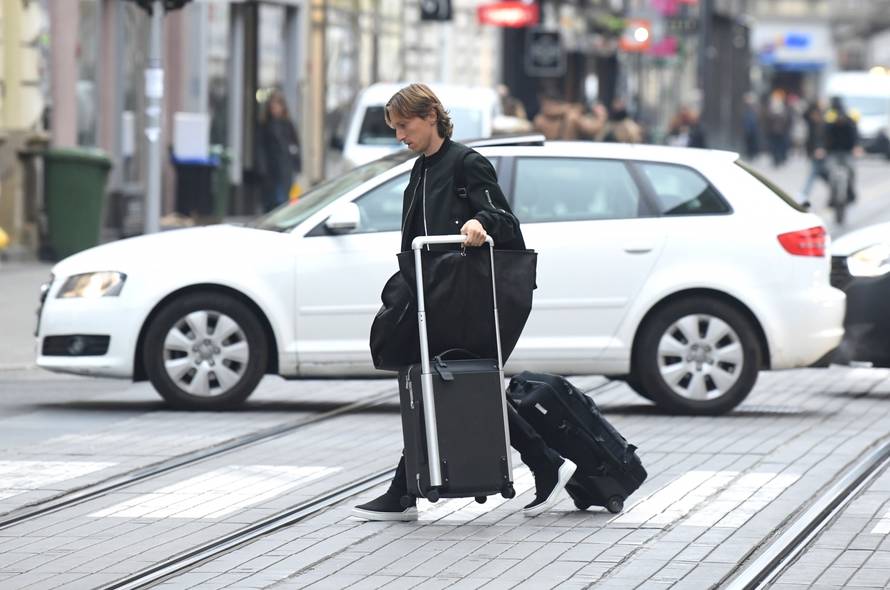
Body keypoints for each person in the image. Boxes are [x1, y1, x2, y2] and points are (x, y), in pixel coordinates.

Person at [352, 83, 576, 522]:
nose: (399, 135)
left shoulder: (466, 163)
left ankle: (404, 492)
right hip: (434, 293)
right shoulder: (421, 168)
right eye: (395, 128)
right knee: (452, 383)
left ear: (430, 116)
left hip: (465, 297)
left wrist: (478, 221)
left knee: (448, 382)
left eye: (405, 125)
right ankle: (544, 461)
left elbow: (503, 219)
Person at [255, 90, 301, 212]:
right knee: (272, 201)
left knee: (284, 200)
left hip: (286, 168)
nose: (275, 109)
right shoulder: (265, 125)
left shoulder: (288, 124)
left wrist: (296, 164)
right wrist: (262, 168)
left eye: (277, 106)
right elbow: (260, 147)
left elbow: (295, 145)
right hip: (271, 170)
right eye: (272, 107)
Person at [823, 96, 861, 206]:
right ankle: (832, 196)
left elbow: (855, 134)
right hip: (833, 152)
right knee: (830, 173)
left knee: (851, 171)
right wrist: (821, 148)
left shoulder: (849, 120)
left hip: (847, 152)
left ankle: (850, 192)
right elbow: (823, 135)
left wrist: (857, 147)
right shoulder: (828, 118)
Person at [799, 99, 828, 206]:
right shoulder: (812, 123)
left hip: (825, 153)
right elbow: (805, 114)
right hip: (814, 153)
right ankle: (803, 195)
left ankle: (837, 194)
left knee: (825, 175)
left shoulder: (826, 121)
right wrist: (815, 104)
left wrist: (824, 149)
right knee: (814, 174)